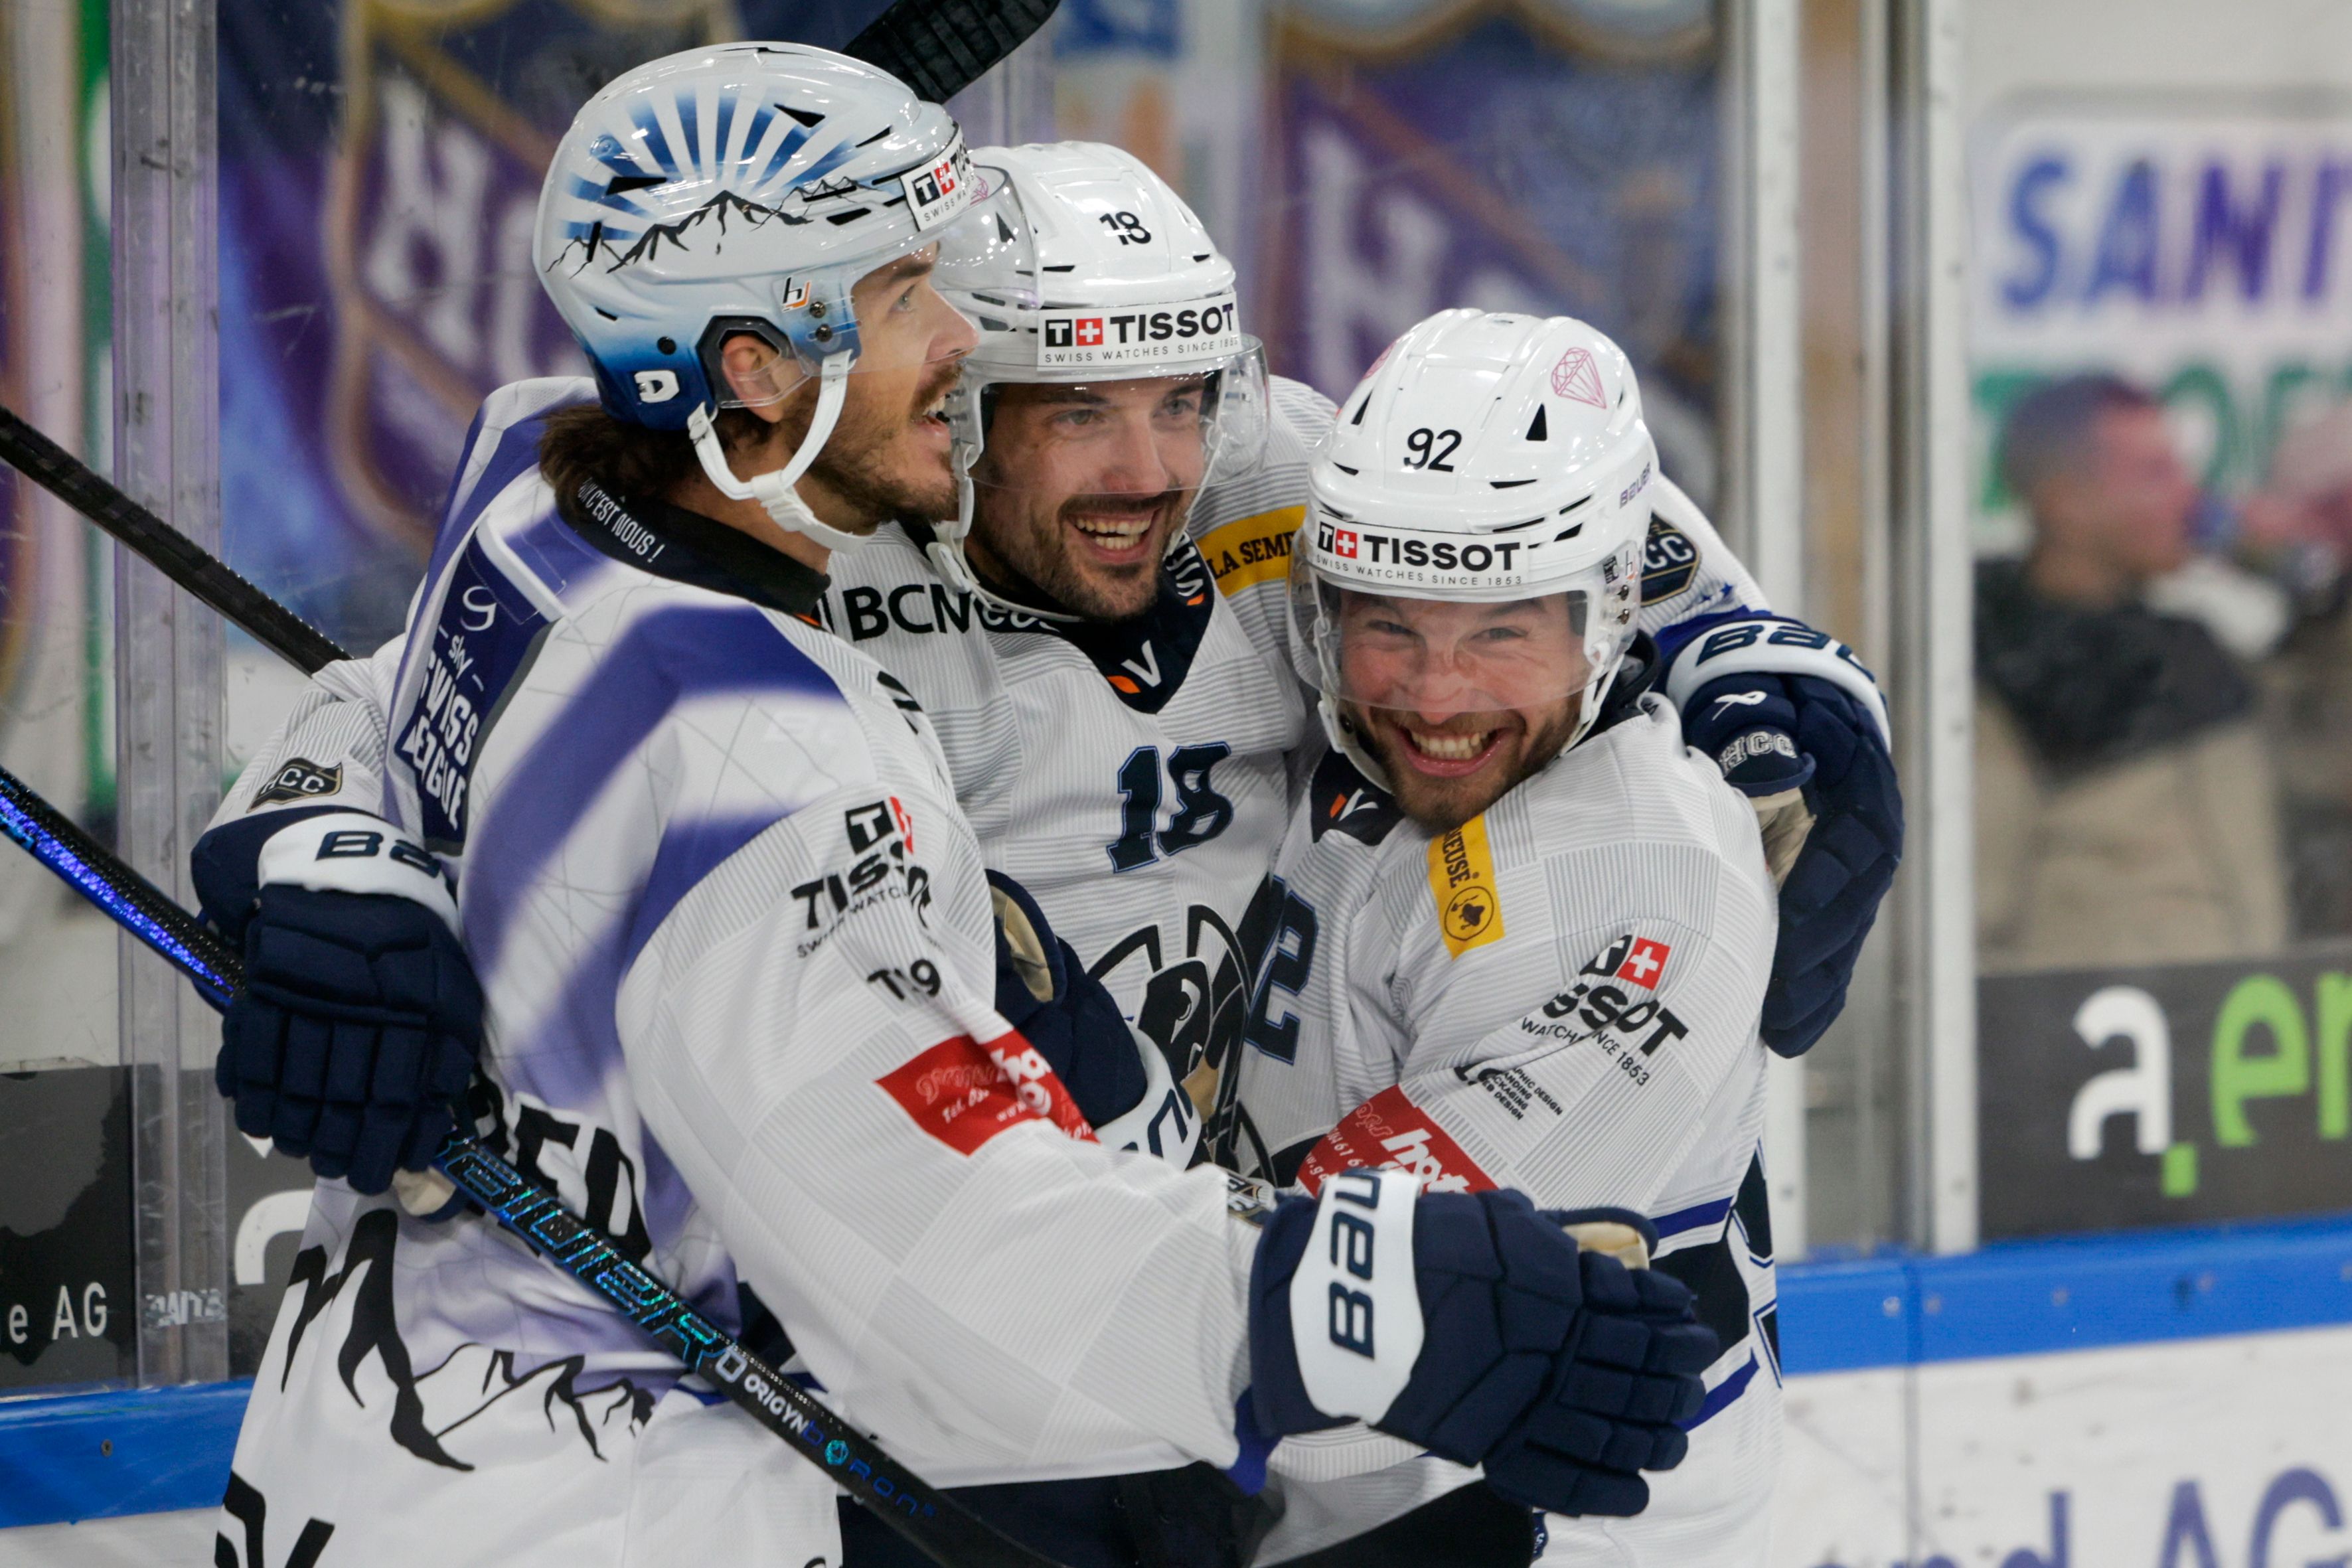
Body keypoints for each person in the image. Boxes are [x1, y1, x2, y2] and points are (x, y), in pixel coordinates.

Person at [196, 48, 1719, 1568]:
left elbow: (376, 711)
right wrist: (1382, 1305)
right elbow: (953, 1235)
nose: (957, 337)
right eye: (911, 296)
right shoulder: (783, 753)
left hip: (362, 1467)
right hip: (641, 1492)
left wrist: (318, 854)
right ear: (752, 366)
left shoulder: (543, 515)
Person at [1223, 310, 1892, 1567]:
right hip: (1363, 1482)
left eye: (1498, 632)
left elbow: (1369, 1275)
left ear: (1604, 617)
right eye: (1389, 627)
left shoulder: (1638, 885)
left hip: (1522, 1524)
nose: (1433, 696)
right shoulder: (1418, 742)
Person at [1975, 374, 2286, 971]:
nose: (2187, 498)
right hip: (2090, 1038)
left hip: (2243, 1032)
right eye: (2154, 475)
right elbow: (1974, 911)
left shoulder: (2190, 653)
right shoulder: (1992, 673)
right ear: (2065, 502)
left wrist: (2307, 582)